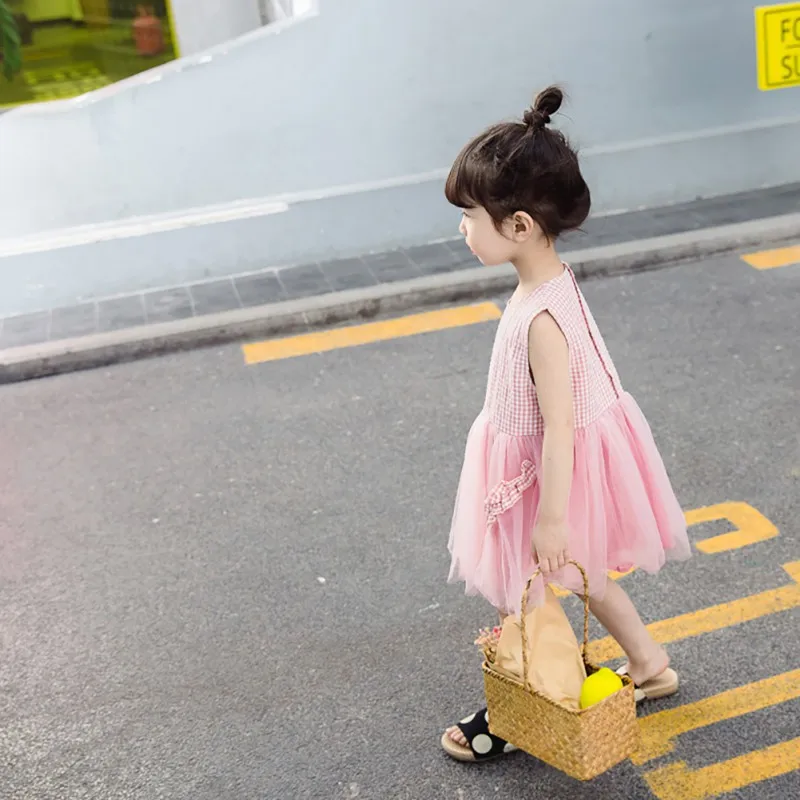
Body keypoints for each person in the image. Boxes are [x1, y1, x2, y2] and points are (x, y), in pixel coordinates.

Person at [440, 86, 692, 762]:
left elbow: (559, 426)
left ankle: (526, 703)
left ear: (519, 225)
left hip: (543, 474)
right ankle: (648, 665)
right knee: (583, 574)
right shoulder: (550, 283)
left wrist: (551, 518)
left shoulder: (542, 319)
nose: (462, 229)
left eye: (470, 216)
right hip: (552, 463)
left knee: (523, 588)